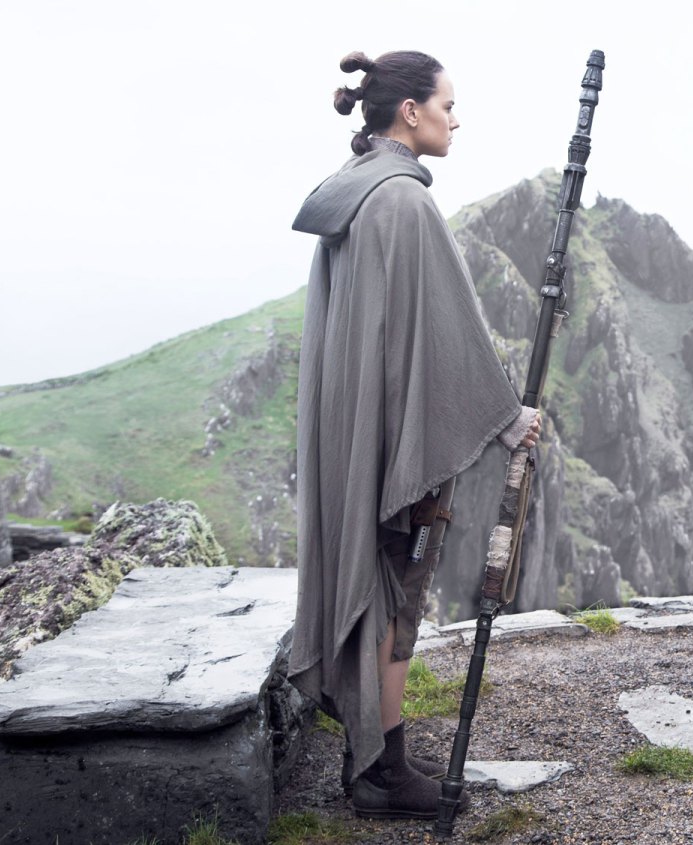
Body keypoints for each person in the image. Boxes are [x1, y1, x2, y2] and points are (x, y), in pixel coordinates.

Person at [289, 50, 540, 820]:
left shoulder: (353, 193)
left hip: (362, 423)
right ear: (410, 112)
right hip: (396, 437)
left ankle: (381, 751)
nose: (455, 119)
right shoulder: (402, 203)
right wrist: (508, 419)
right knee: (396, 590)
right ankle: (380, 776)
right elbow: (446, 334)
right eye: (447, 105)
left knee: (387, 585)